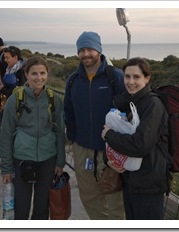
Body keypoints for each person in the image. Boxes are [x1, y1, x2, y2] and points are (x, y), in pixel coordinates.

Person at [64, 31, 126, 220]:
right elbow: (69, 112)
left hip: (111, 150)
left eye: (90, 49)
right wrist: (74, 139)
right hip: (82, 149)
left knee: (116, 199)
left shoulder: (114, 76)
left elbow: (128, 112)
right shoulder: (73, 80)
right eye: (81, 50)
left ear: (99, 50)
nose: (86, 54)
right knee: (89, 198)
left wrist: (121, 146)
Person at [101, 57, 170, 220]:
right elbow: (123, 135)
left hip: (149, 185)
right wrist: (110, 160)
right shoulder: (131, 102)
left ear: (147, 78)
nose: (131, 81)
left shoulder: (153, 105)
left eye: (136, 77)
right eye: (127, 76)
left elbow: (140, 145)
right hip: (131, 181)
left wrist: (109, 135)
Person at [0, 56, 66, 220]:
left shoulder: (53, 99)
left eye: (43, 73)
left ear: (47, 74)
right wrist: (6, 168)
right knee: (21, 208)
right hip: (21, 160)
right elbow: (6, 134)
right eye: (34, 73)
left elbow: (59, 132)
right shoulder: (15, 99)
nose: (39, 77)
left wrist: (60, 162)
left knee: (42, 208)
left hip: (48, 160)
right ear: (26, 75)